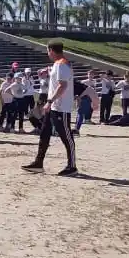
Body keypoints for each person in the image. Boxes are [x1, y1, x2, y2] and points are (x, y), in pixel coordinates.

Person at [23, 42, 78, 176]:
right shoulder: (58, 64)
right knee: (44, 133)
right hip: (53, 106)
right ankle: (38, 163)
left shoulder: (61, 64)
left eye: (48, 51)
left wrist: (49, 101)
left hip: (60, 107)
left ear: (52, 50)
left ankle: (72, 166)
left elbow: (62, 86)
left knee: (66, 137)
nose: (47, 54)